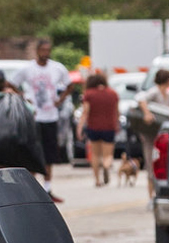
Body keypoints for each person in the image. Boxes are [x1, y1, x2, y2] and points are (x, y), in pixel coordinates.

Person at [19, 41, 70, 195]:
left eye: (48, 50)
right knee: (33, 153)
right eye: (42, 50)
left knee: (49, 154)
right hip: (34, 117)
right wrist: (24, 98)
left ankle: (47, 187)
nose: (45, 53)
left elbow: (70, 85)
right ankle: (31, 187)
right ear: (37, 51)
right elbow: (12, 83)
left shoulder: (57, 68)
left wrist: (60, 100)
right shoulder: (28, 68)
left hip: (50, 116)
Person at [133, 69, 169, 201]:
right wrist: (147, 113)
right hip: (151, 133)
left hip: (162, 134)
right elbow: (141, 99)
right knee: (151, 163)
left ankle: (158, 193)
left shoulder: (168, 94)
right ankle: (151, 195)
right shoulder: (154, 91)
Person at [79, 73, 120, 187]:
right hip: (109, 127)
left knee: (95, 154)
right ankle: (106, 166)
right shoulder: (113, 93)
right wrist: (117, 124)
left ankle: (97, 180)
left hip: (93, 127)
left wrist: (79, 127)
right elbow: (117, 112)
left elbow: (85, 112)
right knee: (108, 154)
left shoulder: (89, 94)